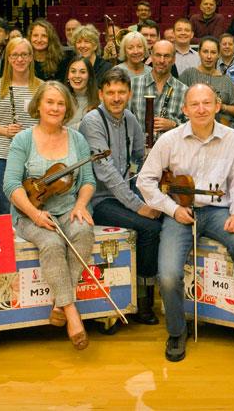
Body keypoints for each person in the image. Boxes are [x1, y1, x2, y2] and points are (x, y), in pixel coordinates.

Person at [137, 84, 234, 363]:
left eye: (206, 103)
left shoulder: (233, 138)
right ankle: (176, 330)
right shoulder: (170, 139)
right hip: (181, 214)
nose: (201, 109)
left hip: (219, 212)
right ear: (184, 109)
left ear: (217, 106)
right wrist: (172, 209)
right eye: (194, 104)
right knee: (169, 274)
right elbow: (144, 181)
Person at [4, 81, 96, 351]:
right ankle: (71, 314)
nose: (55, 108)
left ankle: (59, 303)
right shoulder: (23, 139)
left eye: (60, 104)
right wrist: (34, 213)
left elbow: (88, 179)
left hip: (68, 208)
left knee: (83, 232)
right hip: (29, 212)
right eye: (50, 102)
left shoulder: (76, 138)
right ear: (39, 106)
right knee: (52, 243)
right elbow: (11, 184)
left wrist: (80, 205)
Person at [80, 68, 162, 325]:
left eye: (121, 92)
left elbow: (140, 156)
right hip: (100, 199)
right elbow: (105, 173)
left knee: (162, 219)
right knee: (149, 227)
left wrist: (146, 189)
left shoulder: (130, 119)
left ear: (129, 94)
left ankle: (141, 291)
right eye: (111, 92)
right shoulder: (92, 121)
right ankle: (143, 299)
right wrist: (138, 206)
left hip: (126, 193)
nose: (116, 98)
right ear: (101, 93)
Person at [0, 38, 42, 215]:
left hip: (33, 155)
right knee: (9, 207)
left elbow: (48, 122)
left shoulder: (41, 87)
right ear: (8, 58)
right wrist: (5, 130)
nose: (19, 59)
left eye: (24, 55)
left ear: (31, 57)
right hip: (1, 156)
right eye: (15, 55)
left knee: (34, 206)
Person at [128, 39, 188, 141]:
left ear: (174, 59)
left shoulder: (184, 90)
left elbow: (193, 127)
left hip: (171, 152)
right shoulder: (133, 85)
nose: (161, 60)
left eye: (167, 56)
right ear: (151, 56)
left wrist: (174, 125)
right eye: (158, 55)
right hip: (138, 152)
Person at [178, 37, 234, 126]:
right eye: (205, 51)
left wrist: (221, 106)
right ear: (199, 53)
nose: (209, 56)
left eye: (213, 52)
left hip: (221, 129)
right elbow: (178, 104)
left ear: (218, 55)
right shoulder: (189, 74)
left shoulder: (226, 80)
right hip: (193, 127)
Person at [64, 55, 100, 130]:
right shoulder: (60, 99)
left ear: (89, 76)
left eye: (82, 72)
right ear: (68, 75)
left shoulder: (100, 100)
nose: (77, 76)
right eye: (73, 71)